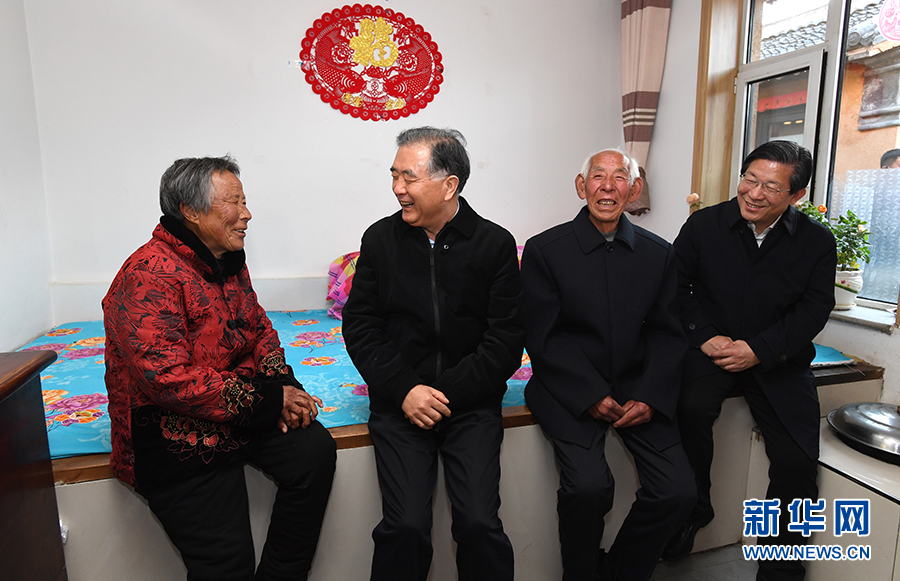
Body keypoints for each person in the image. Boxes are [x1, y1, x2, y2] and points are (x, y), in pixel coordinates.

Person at [103, 156, 337, 581]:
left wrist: (282, 385)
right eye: (235, 202)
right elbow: (167, 379)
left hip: (238, 410)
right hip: (172, 429)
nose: (247, 214)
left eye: (245, 201)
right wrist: (269, 400)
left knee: (314, 452)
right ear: (190, 211)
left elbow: (258, 327)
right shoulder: (148, 275)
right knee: (227, 562)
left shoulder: (227, 260)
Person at [342, 127, 524, 581]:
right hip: (399, 404)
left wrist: (443, 394)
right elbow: (361, 326)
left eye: (409, 177)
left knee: (480, 525)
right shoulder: (380, 240)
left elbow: (505, 339)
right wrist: (406, 390)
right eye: (394, 175)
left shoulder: (494, 244)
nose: (397, 188)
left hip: (470, 405)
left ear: (449, 185)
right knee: (404, 527)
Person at [521, 148, 695, 581]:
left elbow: (669, 334)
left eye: (620, 178)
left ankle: (619, 573)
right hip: (569, 389)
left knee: (677, 491)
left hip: (639, 389)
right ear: (581, 187)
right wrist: (590, 394)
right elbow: (543, 336)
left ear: (634, 190)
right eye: (598, 176)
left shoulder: (659, 254)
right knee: (588, 488)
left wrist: (650, 394)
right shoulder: (545, 250)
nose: (608, 186)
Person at [665, 140, 836, 580]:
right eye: (749, 179)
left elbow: (814, 309)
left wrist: (759, 350)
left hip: (779, 357)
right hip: (712, 350)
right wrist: (704, 336)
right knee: (687, 408)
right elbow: (675, 288)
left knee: (798, 462)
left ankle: (780, 570)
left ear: (797, 195)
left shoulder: (817, 242)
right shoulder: (704, 225)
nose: (754, 194)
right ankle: (693, 509)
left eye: (771, 187)